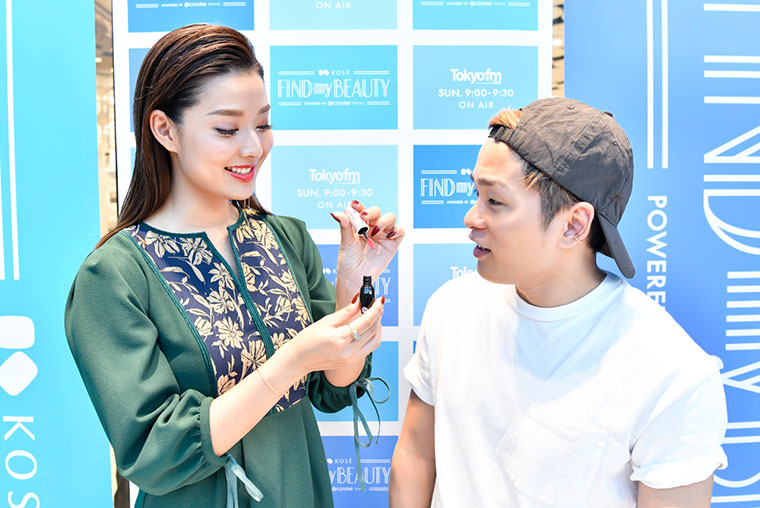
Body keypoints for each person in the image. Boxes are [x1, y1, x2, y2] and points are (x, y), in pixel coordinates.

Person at [65, 24, 402, 508]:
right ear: (165, 130)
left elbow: (332, 390)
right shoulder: (114, 275)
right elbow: (154, 452)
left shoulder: (285, 237)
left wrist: (356, 280)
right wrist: (291, 361)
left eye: (262, 125)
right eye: (227, 129)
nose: (253, 147)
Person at [390, 98, 727, 508]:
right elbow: (416, 455)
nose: (472, 218)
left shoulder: (672, 375)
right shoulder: (452, 308)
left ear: (574, 224)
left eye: (495, 201)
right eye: (475, 193)